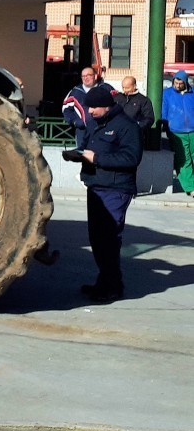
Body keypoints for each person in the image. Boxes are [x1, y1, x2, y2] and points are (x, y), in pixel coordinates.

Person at [70, 83, 143, 303]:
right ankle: (104, 283)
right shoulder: (95, 123)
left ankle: (112, 287)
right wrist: (78, 155)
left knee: (109, 239)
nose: (90, 111)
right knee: (97, 239)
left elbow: (131, 158)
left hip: (116, 189)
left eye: (93, 108)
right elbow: (88, 149)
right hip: (96, 186)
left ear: (107, 106)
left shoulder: (126, 126)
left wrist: (97, 159)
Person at [163, 69, 194, 196]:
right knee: (184, 159)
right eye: (176, 83)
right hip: (176, 132)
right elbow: (163, 110)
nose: (177, 85)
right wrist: (165, 124)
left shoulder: (192, 94)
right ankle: (190, 187)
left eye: (180, 83)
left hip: (192, 130)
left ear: (185, 82)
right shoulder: (167, 94)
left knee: (192, 158)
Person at [62, 65, 100, 149]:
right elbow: (66, 109)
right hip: (83, 131)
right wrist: (74, 121)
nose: (85, 78)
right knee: (84, 156)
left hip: (101, 130)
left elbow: (116, 106)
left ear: (95, 76)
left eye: (88, 75)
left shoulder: (105, 88)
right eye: (83, 76)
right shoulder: (75, 92)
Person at [115, 75, 154, 146]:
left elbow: (149, 119)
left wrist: (137, 126)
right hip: (117, 134)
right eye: (123, 87)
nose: (125, 90)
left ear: (134, 86)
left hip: (134, 136)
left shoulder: (143, 100)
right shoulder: (117, 98)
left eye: (127, 88)